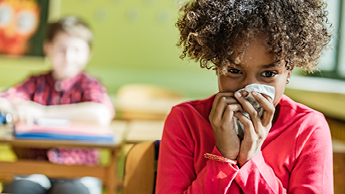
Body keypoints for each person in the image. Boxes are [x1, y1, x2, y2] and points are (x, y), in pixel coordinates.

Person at [156, 0, 333, 193]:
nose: (249, 90)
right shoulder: (185, 121)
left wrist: (251, 158)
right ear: (217, 66)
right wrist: (224, 156)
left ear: (288, 70)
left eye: (268, 74)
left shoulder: (308, 129)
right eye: (234, 70)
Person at [0, 16, 114, 194]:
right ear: (48, 48)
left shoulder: (90, 84)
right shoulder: (34, 83)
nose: (68, 57)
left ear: (88, 54)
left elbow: (101, 114)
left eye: (76, 50)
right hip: (34, 170)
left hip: (79, 172)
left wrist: (42, 112)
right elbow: (4, 99)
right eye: (61, 49)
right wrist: (13, 109)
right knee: (18, 190)